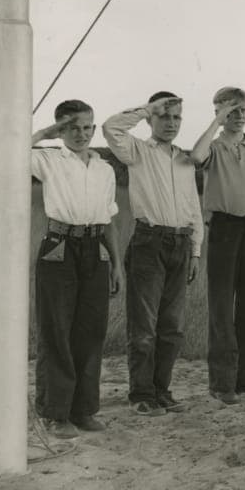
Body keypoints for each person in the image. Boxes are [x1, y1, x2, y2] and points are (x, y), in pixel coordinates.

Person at [103, 92, 204, 417]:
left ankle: (162, 390)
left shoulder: (184, 159)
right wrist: (147, 108)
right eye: (164, 117)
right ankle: (142, 394)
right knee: (144, 326)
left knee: (172, 327)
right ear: (151, 120)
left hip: (182, 243)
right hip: (149, 242)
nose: (171, 123)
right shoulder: (138, 151)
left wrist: (196, 251)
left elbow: (194, 206)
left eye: (176, 118)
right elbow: (110, 128)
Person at [31, 100, 123, 438]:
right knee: (57, 330)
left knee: (90, 331)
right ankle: (55, 413)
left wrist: (116, 264)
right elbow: (9, 150)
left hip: (96, 248)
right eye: (72, 128)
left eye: (86, 127)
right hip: (59, 246)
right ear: (60, 130)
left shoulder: (105, 169)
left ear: (94, 129)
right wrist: (46, 134)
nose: (81, 134)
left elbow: (109, 218)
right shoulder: (49, 159)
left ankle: (83, 410)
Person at [190, 87, 245, 404]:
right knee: (222, 308)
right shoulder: (213, 147)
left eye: (242, 111)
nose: (238, 117)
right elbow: (196, 156)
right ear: (218, 112)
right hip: (224, 230)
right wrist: (216, 122)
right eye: (231, 111)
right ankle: (222, 383)